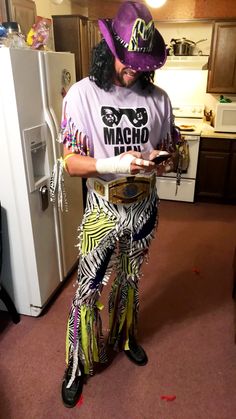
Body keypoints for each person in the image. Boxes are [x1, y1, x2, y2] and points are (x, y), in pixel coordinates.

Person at [53, 1, 179, 408]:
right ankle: (76, 362)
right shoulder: (82, 95)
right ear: (109, 50)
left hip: (144, 208)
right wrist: (113, 162)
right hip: (103, 210)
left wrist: (167, 159)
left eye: (141, 64)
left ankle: (124, 336)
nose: (134, 70)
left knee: (130, 281)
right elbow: (71, 163)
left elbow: (173, 148)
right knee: (88, 289)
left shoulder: (158, 99)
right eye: (128, 61)